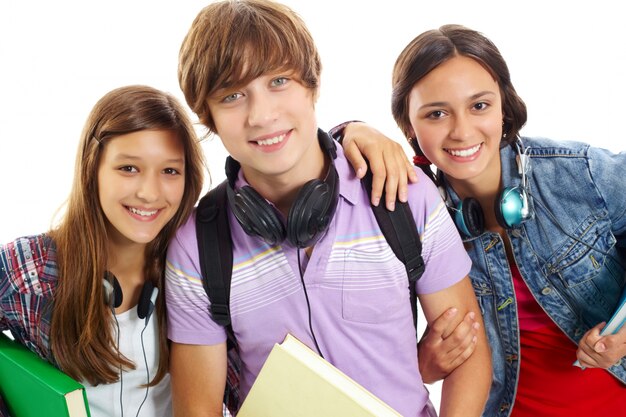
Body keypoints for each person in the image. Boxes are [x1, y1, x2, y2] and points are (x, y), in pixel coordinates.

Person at [164, 2, 492, 417]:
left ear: (312, 86)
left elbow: (469, 352)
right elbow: (198, 411)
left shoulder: (404, 195)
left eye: (279, 81)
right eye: (233, 96)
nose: (262, 115)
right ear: (207, 114)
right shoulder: (196, 246)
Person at [343, 24, 626, 417]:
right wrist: (422, 365)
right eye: (437, 113)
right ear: (408, 125)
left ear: (504, 106)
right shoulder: (412, 216)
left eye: (479, 106)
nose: (462, 131)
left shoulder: (576, 173)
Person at [0, 85, 207, 417]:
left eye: (170, 171)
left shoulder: (197, 268)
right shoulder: (32, 268)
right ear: (91, 169)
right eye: (128, 168)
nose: (149, 193)